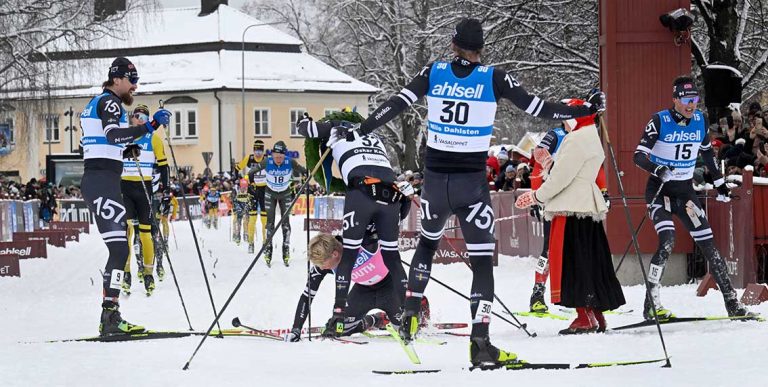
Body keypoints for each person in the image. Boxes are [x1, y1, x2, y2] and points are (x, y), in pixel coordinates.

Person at [301, 18, 604, 366]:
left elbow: (396, 104)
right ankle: (481, 343)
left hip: (435, 182)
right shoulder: (494, 77)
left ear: (453, 44)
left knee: (427, 246)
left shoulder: (434, 71)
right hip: (471, 185)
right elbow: (539, 108)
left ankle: (410, 311)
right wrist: (586, 109)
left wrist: (361, 129)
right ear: (481, 48)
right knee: (481, 263)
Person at [633, 76, 756, 320]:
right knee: (667, 241)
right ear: (675, 100)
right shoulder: (660, 120)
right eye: (686, 99)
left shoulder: (700, 120)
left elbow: (708, 154)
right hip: (660, 191)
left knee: (709, 246)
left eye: (695, 99)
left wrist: (720, 183)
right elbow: (638, 155)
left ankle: (732, 303)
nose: (691, 105)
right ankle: (651, 304)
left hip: (686, 193)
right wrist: (658, 169)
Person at [515, 98, 624, 334]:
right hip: (587, 206)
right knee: (590, 260)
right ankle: (595, 313)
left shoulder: (575, 139)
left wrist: (536, 197)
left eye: (564, 118)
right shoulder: (590, 136)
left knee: (571, 261)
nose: (562, 124)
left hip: (570, 206)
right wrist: (551, 164)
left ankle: (583, 316)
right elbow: (573, 171)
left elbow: (561, 180)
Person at [297, 115, 412, 337]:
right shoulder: (374, 133)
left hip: (363, 194)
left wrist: (304, 122)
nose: (325, 267)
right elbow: (398, 217)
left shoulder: (335, 128)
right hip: (388, 191)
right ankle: (373, 320)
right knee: (335, 330)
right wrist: (405, 199)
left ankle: (412, 309)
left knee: (361, 254)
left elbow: (307, 129)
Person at [79, 57, 171, 334]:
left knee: (120, 248)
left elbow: (100, 142)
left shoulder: (101, 102)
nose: (135, 86)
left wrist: (125, 150)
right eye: (132, 81)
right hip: (101, 182)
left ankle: (110, 315)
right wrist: (149, 126)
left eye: (137, 81)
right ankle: (110, 318)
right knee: (120, 249)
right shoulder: (110, 102)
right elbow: (111, 135)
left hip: (103, 179)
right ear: (116, 79)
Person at [284, 228, 428, 341]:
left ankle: (419, 303)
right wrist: (296, 329)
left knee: (407, 330)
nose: (321, 268)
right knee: (336, 330)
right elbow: (306, 296)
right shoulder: (322, 267)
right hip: (363, 291)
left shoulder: (363, 243)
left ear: (334, 254)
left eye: (322, 263)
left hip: (389, 286)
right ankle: (377, 319)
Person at [121, 104, 169, 296]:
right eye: (137, 116)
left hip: (144, 187)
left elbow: (164, 166)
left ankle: (148, 273)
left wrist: (166, 189)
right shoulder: (124, 136)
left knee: (146, 234)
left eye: (144, 117)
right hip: (125, 187)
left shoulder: (154, 139)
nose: (140, 119)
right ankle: (126, 273)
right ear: (132, 118)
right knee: (126, 232)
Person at [248, 141, 306, 266]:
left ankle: (286, 250)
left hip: (285, 194)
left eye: (281, 157)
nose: (278, 159)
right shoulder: (267, 162)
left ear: (284, 156)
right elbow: (251, 172)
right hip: (270, 194)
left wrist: (307, 174)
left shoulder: (290, 162)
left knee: (285, 223)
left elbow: (303, 170)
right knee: (270, 224)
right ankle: (268, 250)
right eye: (276, 156)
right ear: (272, 154)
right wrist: (252, 185)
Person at [237, 140, 268, 253]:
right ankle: (251, 243)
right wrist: (241, 178)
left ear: (263, 151)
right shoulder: (249, 159)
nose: (258, 153)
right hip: (252, 190)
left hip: (264, 190)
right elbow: (237, 168)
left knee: (265, 219)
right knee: (252, 218)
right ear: (253, 150)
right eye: (256, 150)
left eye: (260, 150)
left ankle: (265, 243)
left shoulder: (267, 159)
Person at [231, 178, 250, 245]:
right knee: (236, 222)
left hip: (245, 208)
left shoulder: (248, 190)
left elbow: (250, 200)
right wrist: (238, 208)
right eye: (243, 187)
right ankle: (236, 235)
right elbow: (233, 201)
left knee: (246, 222)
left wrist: (247, 207)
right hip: (237, 208)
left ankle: (246, 235)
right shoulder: (235, 190)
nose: (244, 189)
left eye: (245, 187)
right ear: (240, 186)